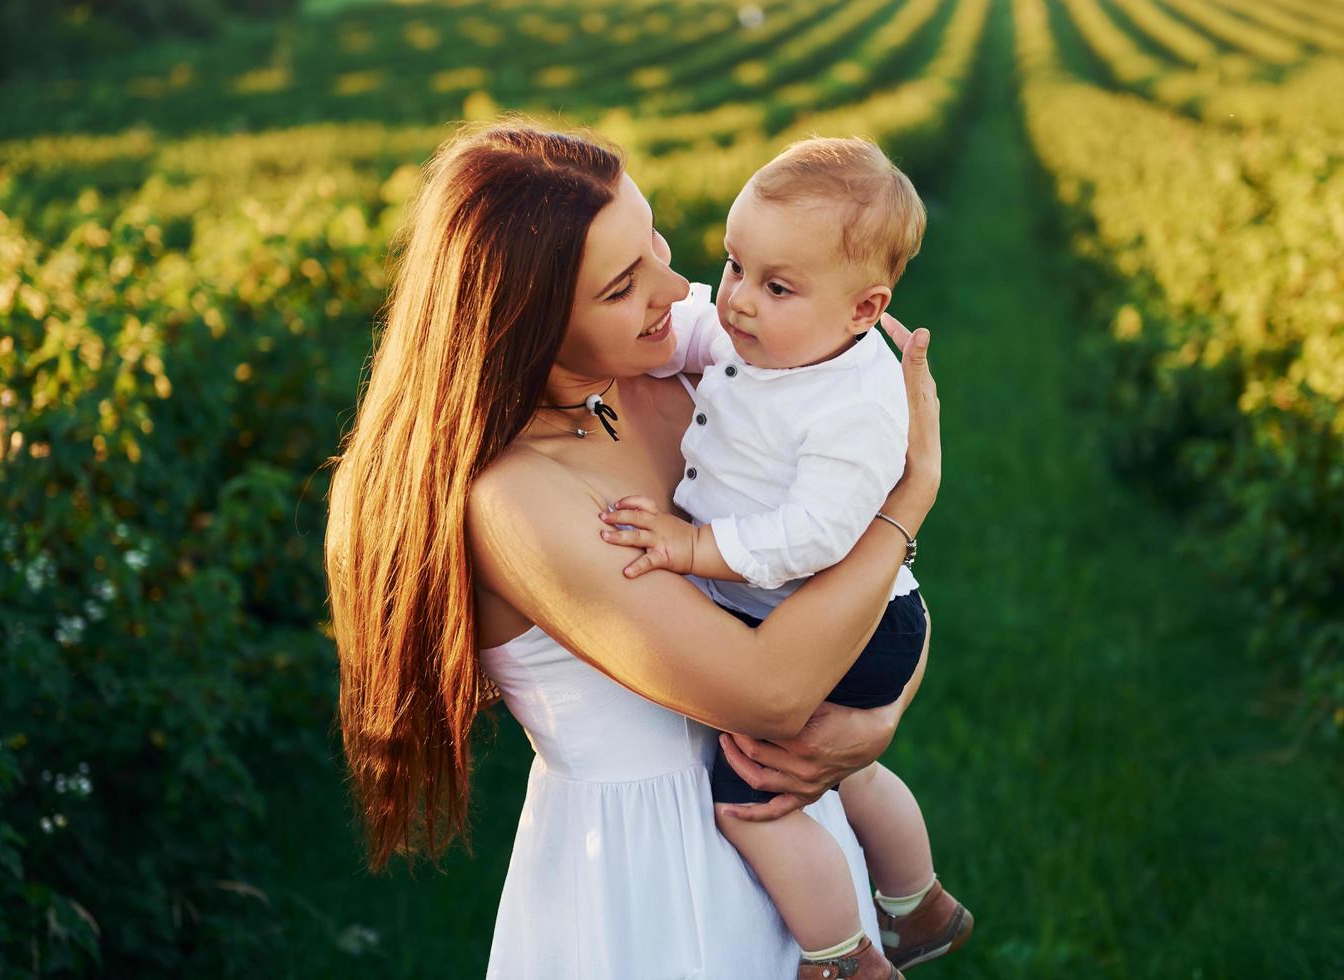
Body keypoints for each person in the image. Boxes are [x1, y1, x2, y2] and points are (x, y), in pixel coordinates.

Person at [322, 120, 942, 979]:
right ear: (528, 322)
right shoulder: (517, 499)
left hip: (783, 826)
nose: (678, 285)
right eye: (622, 285)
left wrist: (877, 714)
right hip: (650, 884)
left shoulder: (677, 378)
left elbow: (850, 592)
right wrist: (909, 502)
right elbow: (769, 691)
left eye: (652, 239)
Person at [601, 136, 971, 978]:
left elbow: (814, 535)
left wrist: (695, 545)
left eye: (774, 285)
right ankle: (920, 902)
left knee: (753, 797)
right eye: (735, 265)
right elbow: (691, 328)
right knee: (845, 771)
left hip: (869, 621)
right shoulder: (775, 331)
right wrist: (650, 341)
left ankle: (843, 957)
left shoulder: (856, 404)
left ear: (861, 310)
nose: (737, 301)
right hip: (832, 606)